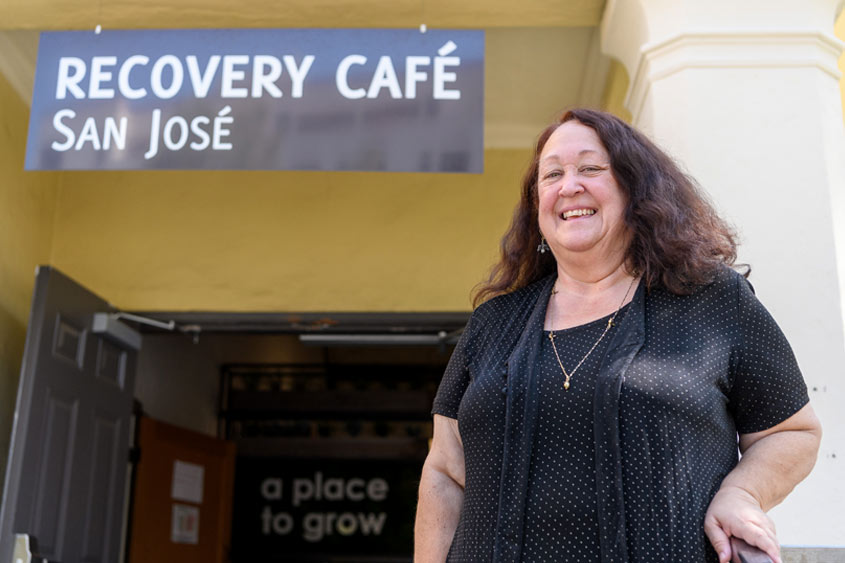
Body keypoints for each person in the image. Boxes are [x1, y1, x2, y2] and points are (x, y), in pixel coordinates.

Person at [413, 108, 822, 563]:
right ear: (537, 207)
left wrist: (743, 493)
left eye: (590, 168)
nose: (569, 186)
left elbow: (793, 432)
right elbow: (446, 472)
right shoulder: (491, 324)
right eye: (551, 175)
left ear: (637, 191)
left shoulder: (712, 300)